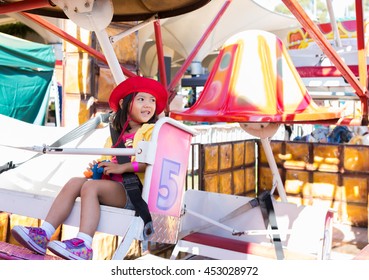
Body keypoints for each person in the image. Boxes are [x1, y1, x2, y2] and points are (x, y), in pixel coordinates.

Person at [11, 76, 168, 260]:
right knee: (75, 182)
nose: (148, 104)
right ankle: (43, 233)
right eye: (141, 99)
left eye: (152, 100)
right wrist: (99, 168)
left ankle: (84, 244)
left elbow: (153, 162)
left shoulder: (151, 131)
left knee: (90, 187)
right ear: (125, 103)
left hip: (134, 193)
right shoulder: (115, 137)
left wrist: (123, 168)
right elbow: (108, 162)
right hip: (114, 189)